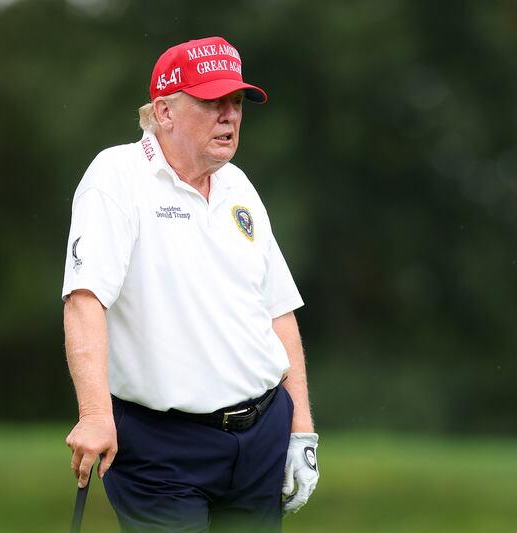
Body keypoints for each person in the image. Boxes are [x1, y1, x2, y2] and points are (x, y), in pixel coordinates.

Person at [61, 36, 319, 532]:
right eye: (211, 101)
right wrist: (94, 413)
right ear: (164, 111)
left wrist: (300, 429)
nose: (229, 115)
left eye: (236, 102)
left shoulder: (238, 185)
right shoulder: (116, 178)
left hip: (262, 435)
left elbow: (277, 310)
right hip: (162, 447)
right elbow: (85, 299)